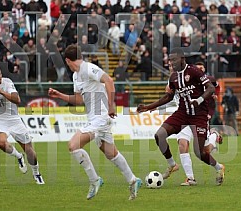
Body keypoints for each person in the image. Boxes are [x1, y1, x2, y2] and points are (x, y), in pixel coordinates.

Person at [48, 44, 141, 200]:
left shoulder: (89, 68)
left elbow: (109, 81)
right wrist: (59, 95)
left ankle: (94, 180)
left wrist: (111, 105)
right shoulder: (76, 76)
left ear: (68, 60)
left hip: (101, 117)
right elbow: (78, 99)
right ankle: (133, 179)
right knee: (110, 153)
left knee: (73, 145)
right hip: (93, 118)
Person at [136, 48, 225, 186]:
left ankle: (219, 167)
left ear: (182, 58)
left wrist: (199, 100)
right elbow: (168, 97)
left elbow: (211, 88)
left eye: (174, 59)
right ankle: (174, 166)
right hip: (182, 114)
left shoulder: (194, 71)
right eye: (170, 60)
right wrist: (148, 106)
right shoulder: (173, 77)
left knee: (200, 152)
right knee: (160, 135)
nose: (171, 62)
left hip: (199, 116)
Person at [173, 62, 223, 186]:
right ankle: (190, 178)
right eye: (198, 68)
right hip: (184, 117)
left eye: (202, 69)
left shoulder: (207, 81)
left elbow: (216, 86)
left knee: (203, 151)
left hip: (200, 118)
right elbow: (169, 93)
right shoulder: (178, 80)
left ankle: (214, 138)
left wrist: (216, 95)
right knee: (182, 144)